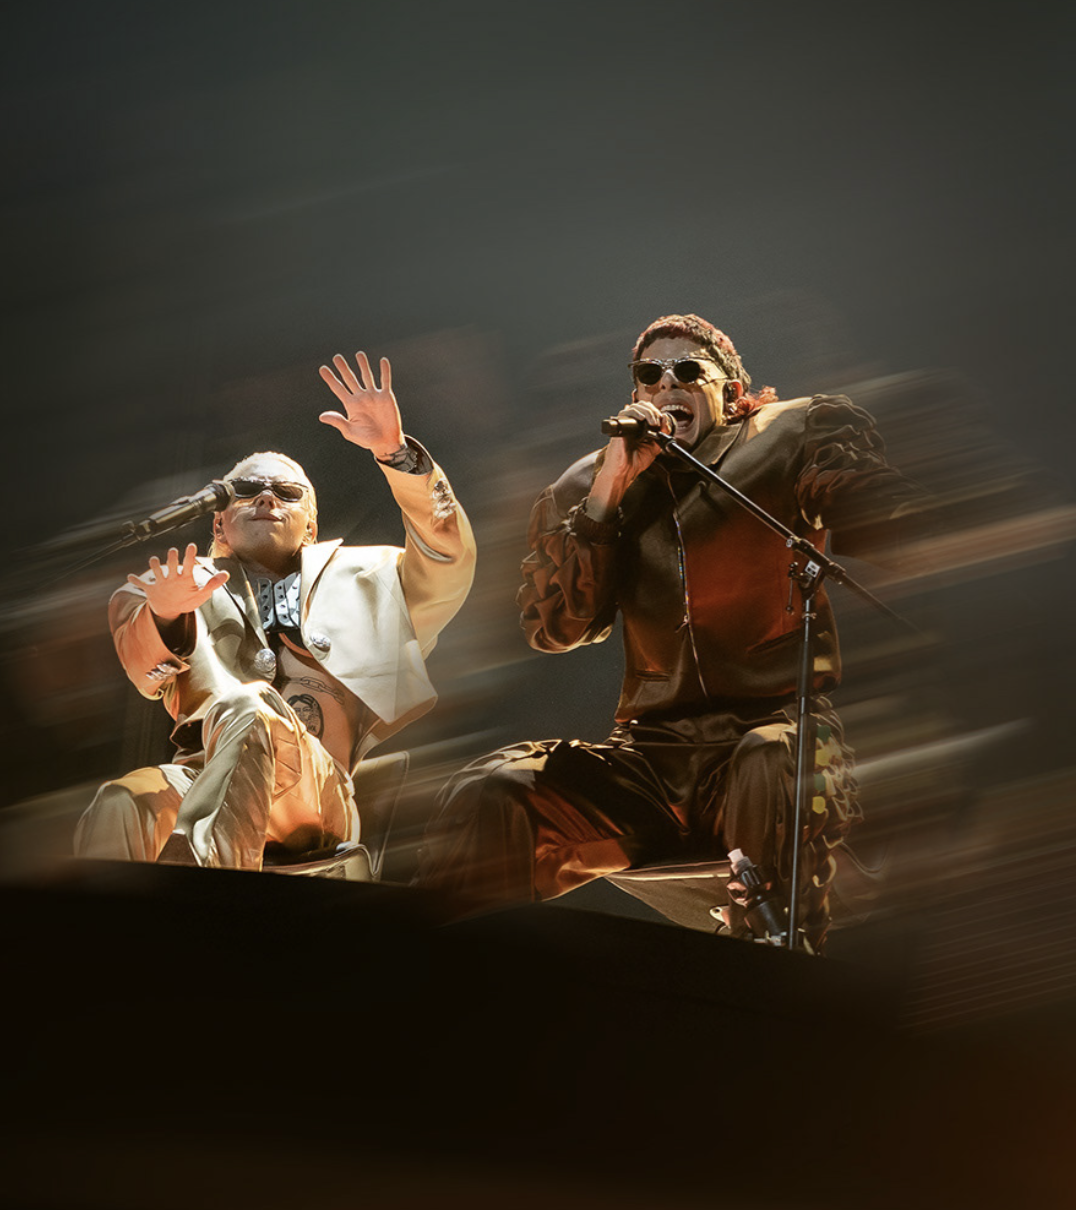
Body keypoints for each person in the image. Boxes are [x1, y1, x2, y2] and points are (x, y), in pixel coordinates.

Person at [419, 314, 919, 948]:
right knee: (493, 790)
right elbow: (555, 628)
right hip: (651, 761)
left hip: (773, 733)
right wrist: (608, 491)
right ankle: (450, 971)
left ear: (731, 392)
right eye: (649, 375)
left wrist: (873, 507)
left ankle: (778, 968)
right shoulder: (592, 481)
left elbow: (880, 514)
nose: (666, 384)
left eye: (686, 371)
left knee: (770, 760)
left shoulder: (791, 434)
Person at [75, 352, 475, 869]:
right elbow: (141, 664)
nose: (266, 497)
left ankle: (191, 896)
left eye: (286, 493)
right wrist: (167, 616)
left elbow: (447, 557)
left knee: (251, 705)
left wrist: (395, 453)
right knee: (120, 801)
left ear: (311, 526)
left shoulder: (371, 576)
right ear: (218, 524)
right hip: (201, 778)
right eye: (247, 491)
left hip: (314, 792)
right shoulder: (182, 582)